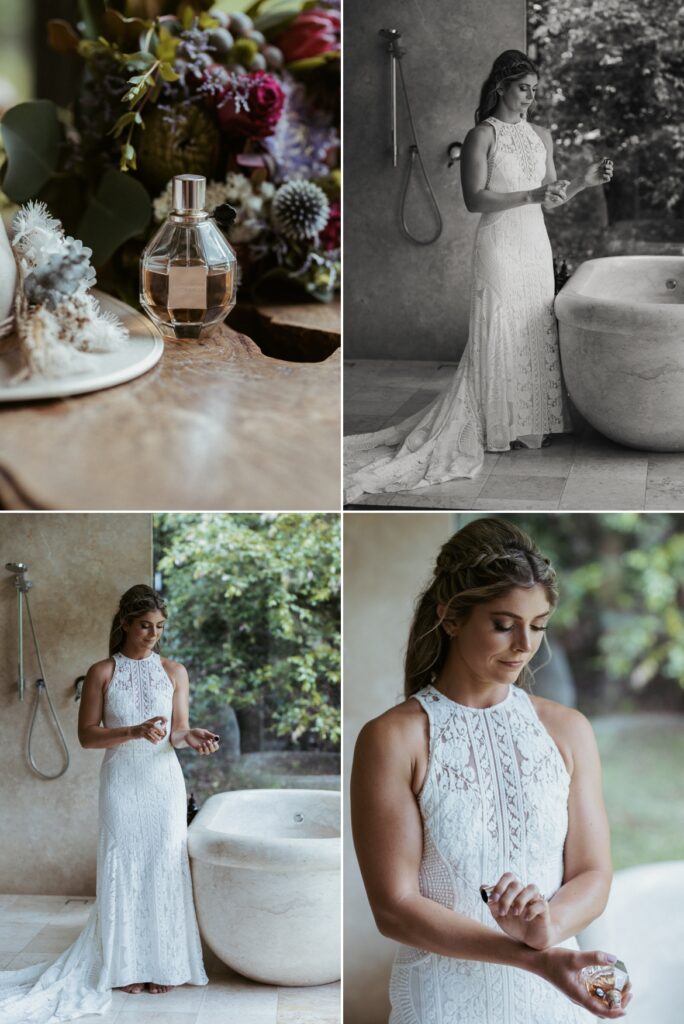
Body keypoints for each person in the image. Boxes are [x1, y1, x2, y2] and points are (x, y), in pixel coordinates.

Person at [351, 518, 632, 1023]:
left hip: (556, 1001)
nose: (526, 644)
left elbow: (593, 872)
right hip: (443, 1005)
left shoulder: (568, 731)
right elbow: (393, 907)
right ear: (452, 618)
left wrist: (548, 929)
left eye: (539, 624)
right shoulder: (393, 738)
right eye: (504, 624)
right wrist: (542, 960)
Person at [344, 50, 613, 503]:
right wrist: (531, 193)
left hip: (534, 244)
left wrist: (583, 181)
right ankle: (498, 426)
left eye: (534, 90)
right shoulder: (480, 136)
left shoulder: (542, 135)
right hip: (499, 246)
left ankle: (532, 426)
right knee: (501, 329)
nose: (530, 97)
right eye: (523, 88)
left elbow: (551, 199)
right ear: (501, 87)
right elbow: (475, 200)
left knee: (533, 329)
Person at [0, 584, 220, 1022]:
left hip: (162, 782)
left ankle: (165, 963)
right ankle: (125, 965)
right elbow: (86, 736)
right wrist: (132, 731)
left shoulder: (174, 672)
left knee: (162, 862)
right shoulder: (102, 671)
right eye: (144, 626)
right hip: (122, 780)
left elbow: (176, 730)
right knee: (124, 862)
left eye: (159, 627)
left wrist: (189, 737)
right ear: (124, 623)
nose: (153, 634)